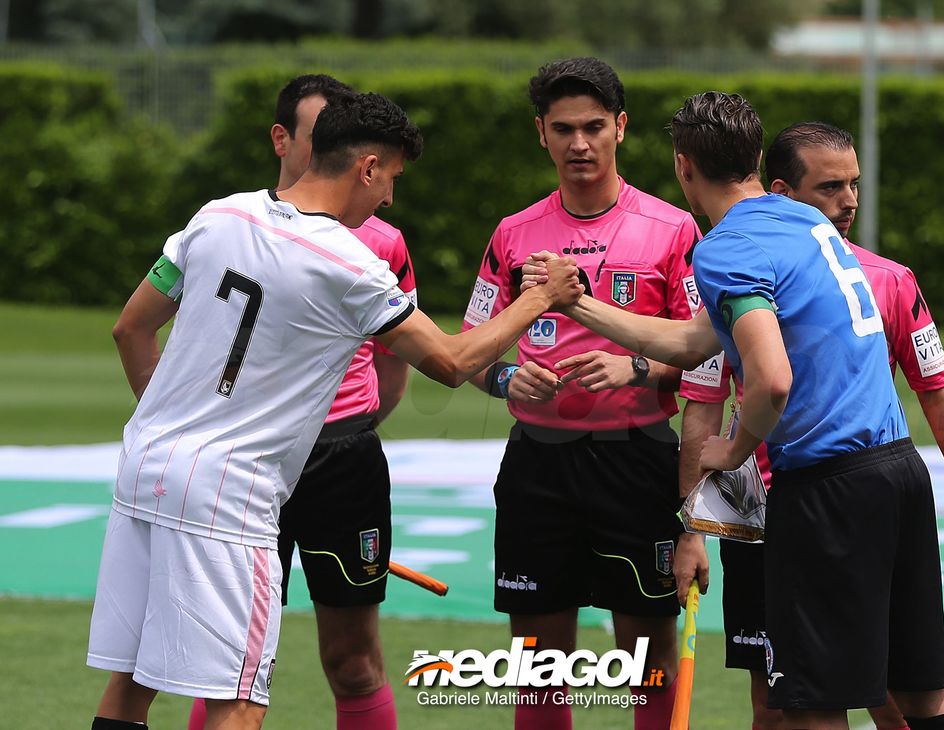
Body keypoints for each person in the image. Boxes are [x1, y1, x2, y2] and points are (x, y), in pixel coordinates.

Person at [87, 91, 583, 730]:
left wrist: (181, 432)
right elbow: (453, 364)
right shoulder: (350, 262)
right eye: (392, 180)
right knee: (239, 700)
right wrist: (538, 297)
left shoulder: (218, 215)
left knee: (132, 683)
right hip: (229, 496)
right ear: (367, 167)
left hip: (144, 469)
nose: (389, 200)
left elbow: (131, 328)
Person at [533, 91, 944, 730]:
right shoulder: (803, 220)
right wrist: (577, 303)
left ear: (682, 165)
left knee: (810, 707)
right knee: (922, 695)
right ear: (756, 160)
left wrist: (734, 449)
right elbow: (697, 339)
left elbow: (771, 381)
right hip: (895, 472)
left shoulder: (725, 249)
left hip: (826, 488)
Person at [678, 120, 944, 730]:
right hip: (764, 509)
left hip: (823, 496)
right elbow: (700, 386)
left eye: (854, 185)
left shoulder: (887, 278)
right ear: (781, 191)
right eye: (832, 187)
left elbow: (937, 389)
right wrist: (691, 521)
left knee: (848, 700)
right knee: (782, 700)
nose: (849, 201)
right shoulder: (753, 269)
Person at [461, 57, 703, 729]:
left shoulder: (672, 229)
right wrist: (508, 377)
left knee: (648, 672)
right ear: (541, 133)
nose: (579, 144)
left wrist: (641, 368)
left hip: (639, 461)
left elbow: (707, 351)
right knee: (539, 676)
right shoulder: (514, 233)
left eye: (594, 126)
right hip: (540, 463)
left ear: (621, 128)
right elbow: (470, 347)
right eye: (563, 129)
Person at [185, 74, 416, 730]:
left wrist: (355, 429)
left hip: (342, 462)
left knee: (352, 658)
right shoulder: (232, 224)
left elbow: (399, 362)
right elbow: (148, 331)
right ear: (284, 140)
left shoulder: (381, 241)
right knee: (227, 660)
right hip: (247, 463)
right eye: (317, 136)